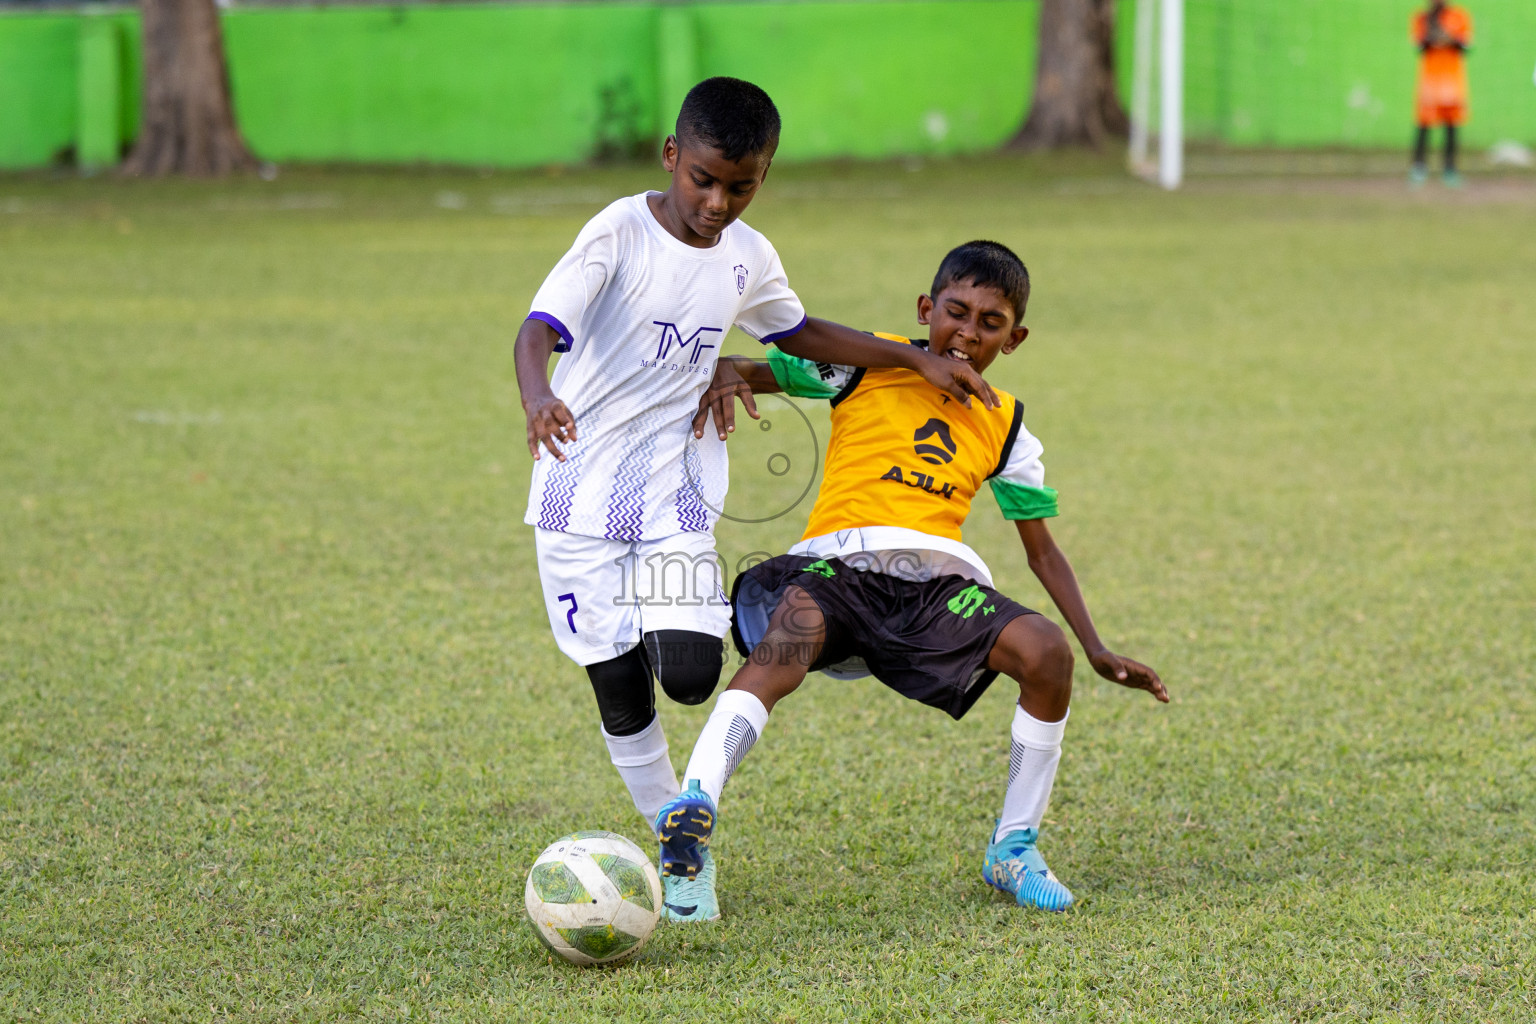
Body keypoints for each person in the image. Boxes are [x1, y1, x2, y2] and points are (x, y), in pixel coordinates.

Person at [514, 78, 996, 922]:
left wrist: (915, 359)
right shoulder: (618, 233)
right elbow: (539, 329)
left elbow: (798, 334)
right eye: (703, 179)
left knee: (694, 676)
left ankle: (690, 773)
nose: (717, 201)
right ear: (672, 157)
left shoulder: (748, 256)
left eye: (741, 185)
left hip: (675, 493)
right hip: (575, 494)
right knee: (620, 687)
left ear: (763, 175)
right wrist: (536, 395)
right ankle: (678, 837)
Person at [652, 241, 1167, 921]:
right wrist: (728, 373)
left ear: (1014, 339)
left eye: (990, 323)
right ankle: (694, 818)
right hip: (836, 567)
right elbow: (753, 368)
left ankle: (1014, 848)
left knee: (1045, 652)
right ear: (928, 309)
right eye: (956, 312)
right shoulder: (868, 366)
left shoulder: (1008, 426)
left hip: (931, 588)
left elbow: (1042, 552)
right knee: (790, 633)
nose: (968, 332)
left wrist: (1096, 647)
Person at [1411, 1, 1474, 186]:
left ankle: (1450, 169)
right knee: (1424, 124)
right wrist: (1432, 33)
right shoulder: (1422, 17)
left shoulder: (1459, 16)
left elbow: (1465, 45)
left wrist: (1449, 37)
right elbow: (1419, 45)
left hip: (1452, 81)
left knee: (1451, 125)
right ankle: (1419, 167)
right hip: (1430, 81)